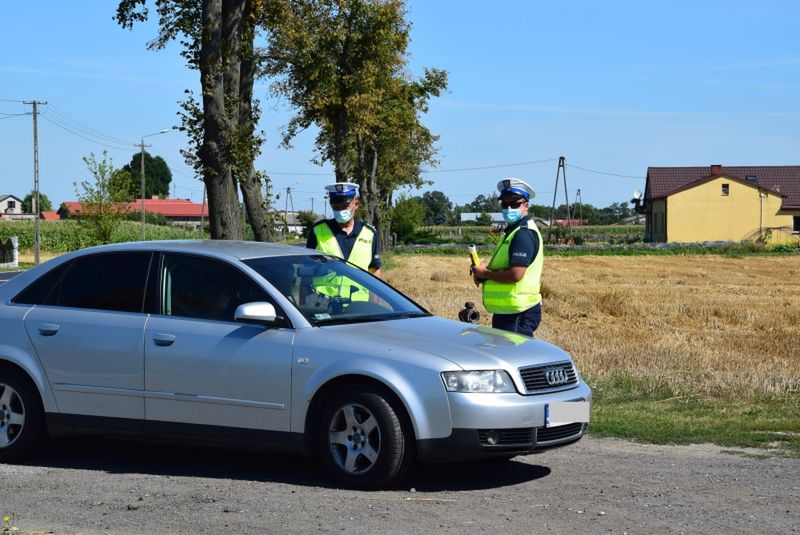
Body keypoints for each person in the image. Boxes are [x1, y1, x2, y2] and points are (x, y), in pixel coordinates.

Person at [471, 178, 543, 337]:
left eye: (514, 204)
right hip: (509, 310)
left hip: (519, 312)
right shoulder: (512, 231)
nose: (508, 208)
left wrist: (485, 274)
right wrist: (484, 274)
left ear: (526, 205)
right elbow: (504, 268)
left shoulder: (523, 233)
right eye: (504, 205)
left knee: (516, 358)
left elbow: (515, 274)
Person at [306, 183, 381, 277]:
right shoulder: (317, 230)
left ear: (356, 204)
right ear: (331, 205)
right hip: (322, 292)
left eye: (345, 206)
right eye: (336, 207)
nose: (340, 211)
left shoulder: (369, 233)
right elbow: (307, 266)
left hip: (358, 292)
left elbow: (374, 269)